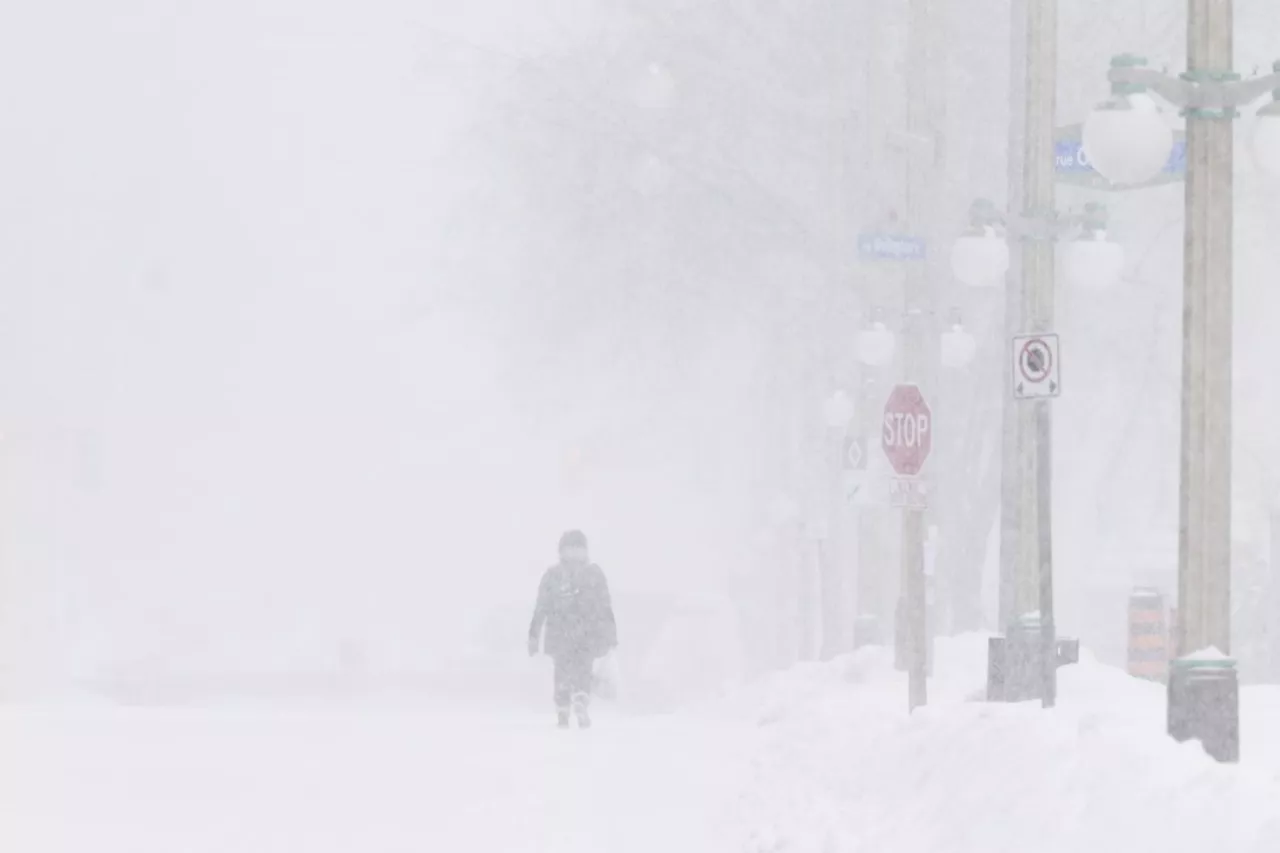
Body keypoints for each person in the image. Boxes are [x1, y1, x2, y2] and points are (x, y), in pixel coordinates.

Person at [528, 530, 617, 728]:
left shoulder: (553, 575)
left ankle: (563, 706)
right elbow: (605, 605)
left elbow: (541, 607)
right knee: (583, 667)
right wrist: (611, 633)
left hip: (560, 632)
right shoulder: (593, 573)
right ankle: (580, 698)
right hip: (587, 632)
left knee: (562, 669)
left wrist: (533, 635)